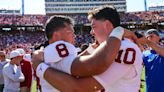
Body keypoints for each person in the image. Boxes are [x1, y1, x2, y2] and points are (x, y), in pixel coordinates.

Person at [32, 5, 141, 92]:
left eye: (94, 27)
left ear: (107, 25)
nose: (91, 32)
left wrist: (39, 66)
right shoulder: (108, 47)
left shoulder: (125, 48)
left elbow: (78, 87)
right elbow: (76, 66)